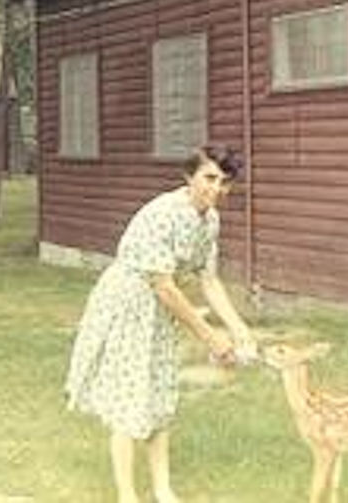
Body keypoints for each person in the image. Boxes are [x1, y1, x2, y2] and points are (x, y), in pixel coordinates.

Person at [65, 144, 257, 503]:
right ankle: (127, 495)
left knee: (161, 391)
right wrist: (210, 337)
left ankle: (163, 490)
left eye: (225, 182)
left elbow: (209, 280)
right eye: (209, 178)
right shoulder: (162, 213)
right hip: (129, 302)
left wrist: (238, 328)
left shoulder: (210, 220)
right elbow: (164, 287)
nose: (216, 188)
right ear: (189, 177)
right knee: (130, 393)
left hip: (159, 308)